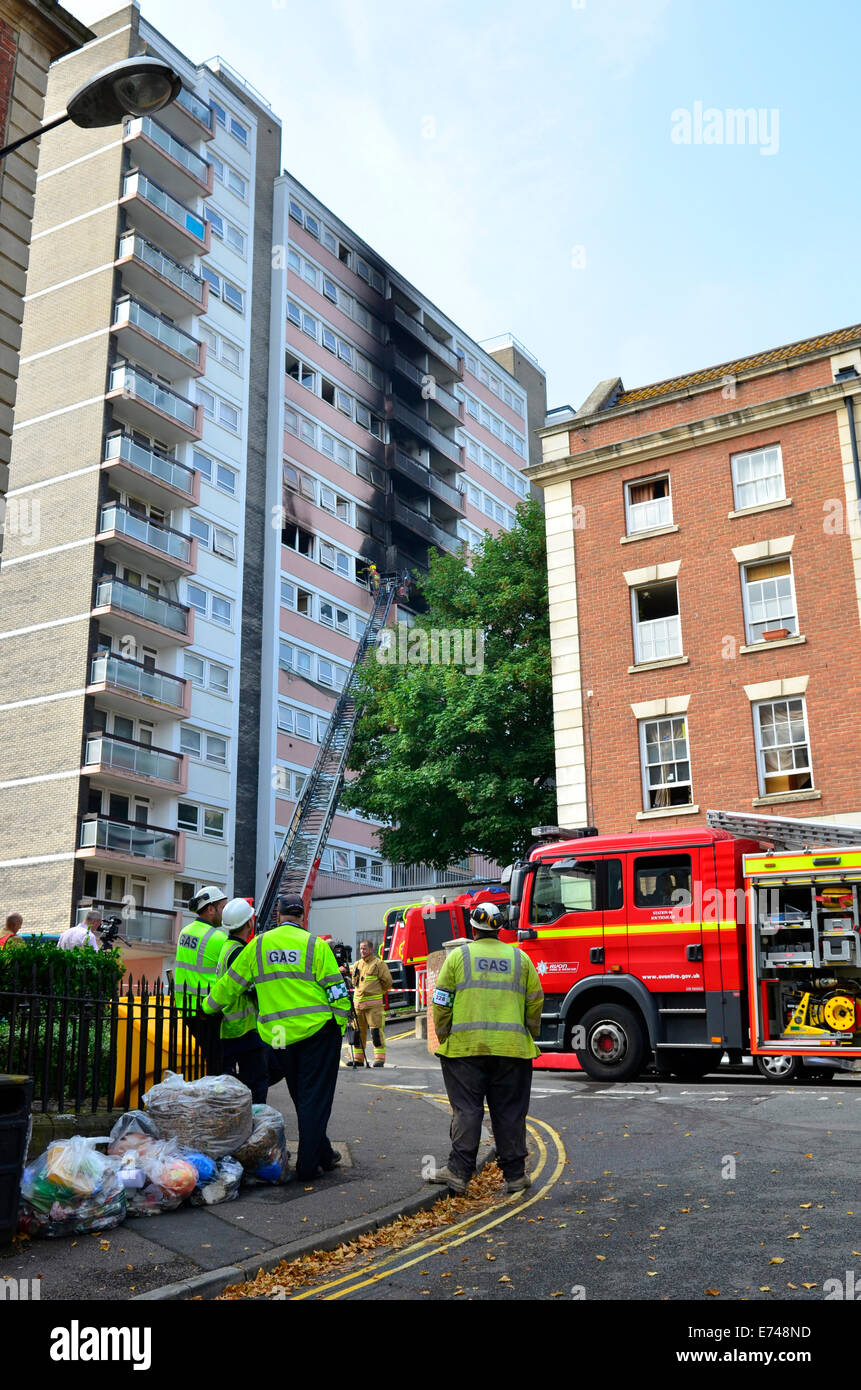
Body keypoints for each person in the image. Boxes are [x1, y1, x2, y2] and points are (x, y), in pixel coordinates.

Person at [202, 893, 351, 1181]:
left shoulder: (258, 946)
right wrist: (340, 1025)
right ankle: (308, 1166)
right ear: (302, 917)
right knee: (315, 1098)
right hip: (318, 1033)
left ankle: (322, 1153)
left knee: (302, 1096)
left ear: (278, 916)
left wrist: (207, 1008)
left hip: (280, 1038)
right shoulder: (314, 945)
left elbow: (229, 985)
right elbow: (337, 991)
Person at [428, 902, 544, 1196]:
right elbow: (536, 1001)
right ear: (499, 927)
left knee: (467, 1110)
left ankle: (458, 1172)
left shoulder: (458, 958)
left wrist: (444, 1035)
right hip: (513, 1051)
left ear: (473, 928)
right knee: (509, 1112)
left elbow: (441, 1000)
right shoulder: (520, 958)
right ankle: (515, 1176)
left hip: (465, 1050)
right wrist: (530, 1033)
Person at [214, 898, 270, 1104]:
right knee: (256, 1083)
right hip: (244, 1028)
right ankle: (256, 1126)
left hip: (229, 1025)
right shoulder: (240, 952)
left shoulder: (227, 947)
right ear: (248, 923)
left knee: (236, 1084)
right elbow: (250, 987)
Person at [173, 886, 228, 1069]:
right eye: (222, 907)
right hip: (207, 1009)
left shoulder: (185, 931)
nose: (224, 912)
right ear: (210, 909)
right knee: (215, 1063)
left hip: (186, 1006)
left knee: (196, 1062)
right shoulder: (218, 938)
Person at [348, 939, 393, 1069]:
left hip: (374, 1007)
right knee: (357, 1033)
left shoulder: (379, 964)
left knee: (376, 1032)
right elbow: (354, 983)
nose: (362, 951)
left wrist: (377, 991)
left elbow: (388, 982)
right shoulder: (357, 964)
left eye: (364, 948)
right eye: (361, 948)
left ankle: (379, 1059)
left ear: (371, 949)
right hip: (358, 1006)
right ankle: (358, 1059)